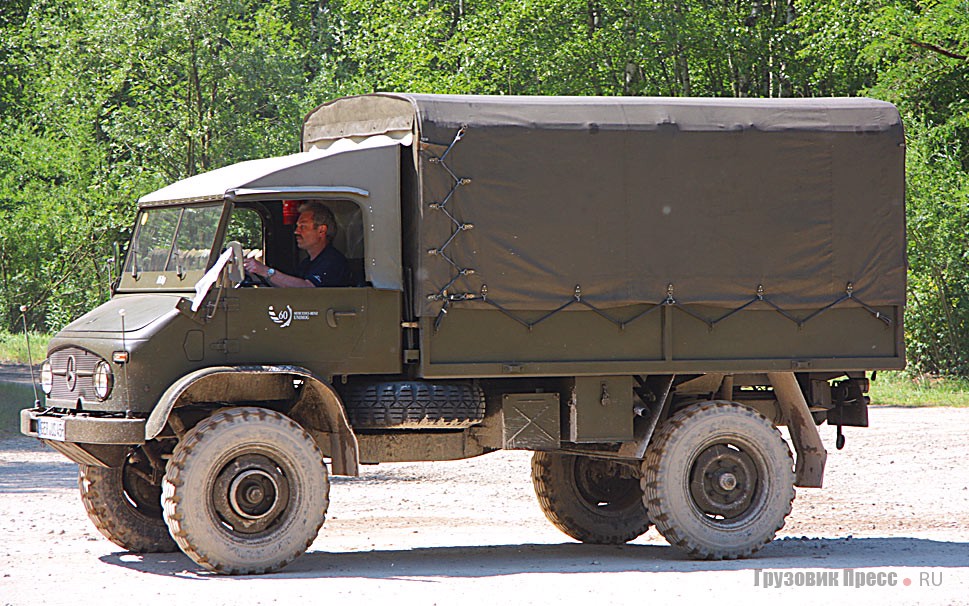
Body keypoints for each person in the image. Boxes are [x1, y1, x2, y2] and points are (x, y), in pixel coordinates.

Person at [243, 201, 354, 287]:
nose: (296, 231)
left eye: (303, 226)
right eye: (297, 227)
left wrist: (265, 271)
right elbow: (289, 287)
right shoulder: (307, 263)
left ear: (321, 231)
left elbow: (307, 289)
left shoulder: (332, 262)